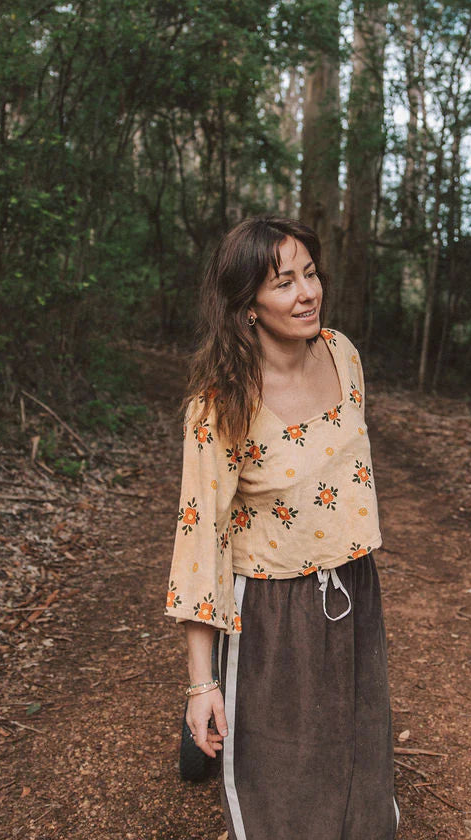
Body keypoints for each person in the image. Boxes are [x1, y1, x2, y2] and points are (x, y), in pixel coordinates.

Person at [165, 214, 398, 840]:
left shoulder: (342, 354)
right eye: (283, 283)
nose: (307, 293)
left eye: (311, 273)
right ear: (247, 308)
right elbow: (200, 542)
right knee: (282, 773)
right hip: (270, 610)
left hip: (354, 588)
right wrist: (201, 683)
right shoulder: (221, 405)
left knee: (357, 740)